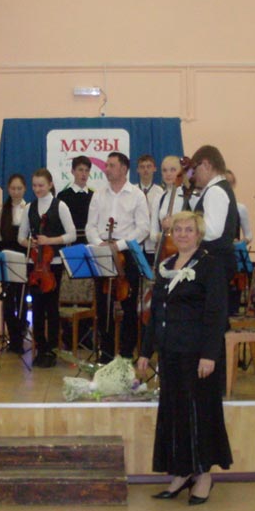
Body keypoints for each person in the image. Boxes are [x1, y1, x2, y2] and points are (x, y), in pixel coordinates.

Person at [137, 211, 232, 505]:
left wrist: (209, 355)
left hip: (197, 353)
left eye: (188, 229)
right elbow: (156, 313)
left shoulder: (210, 266)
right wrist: (145, 351)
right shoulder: (166, 266)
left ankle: (203, 475)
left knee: (199, 413)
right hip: (170, 352)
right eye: (177, 229)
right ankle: (181, 471)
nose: (182, 234)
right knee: (174, 413)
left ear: (199, 234)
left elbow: (216, 313)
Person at [85, 151, 150, 363]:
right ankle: (105, 352)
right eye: (106, 165)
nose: (107, 169)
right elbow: (90, 226)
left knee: (129, 305)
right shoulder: (99, 194)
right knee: (103, 304)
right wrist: (99, 243)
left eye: (111, 165)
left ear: (124, 168)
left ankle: (126, 352)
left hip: (127, 253)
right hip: (103, 251)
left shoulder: (137, 195)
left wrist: (119, 245)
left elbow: (143, 228)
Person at [19, 168, 76, 367]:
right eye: (34, 185)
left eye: (41, 185)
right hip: (35, 265)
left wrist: (49, 240)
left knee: (51, 309)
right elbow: (21, 237)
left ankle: (52, 349)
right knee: (36, 309)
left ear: (50, 184)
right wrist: (30, 243)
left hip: (54, 264)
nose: (37, 189)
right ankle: (40, 348)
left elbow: (71, 235)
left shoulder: (60, 206)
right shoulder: (29, 207)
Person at [189, 146, 240, 315]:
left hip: (215, 263)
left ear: (206, 165)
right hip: (217, 263)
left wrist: (188, 229)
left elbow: (212, 231)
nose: (193, 175)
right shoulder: (216, 189)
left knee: (213, 317)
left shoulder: (215, 191)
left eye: (195, 169)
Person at [0, 173, 29, 354]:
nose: (16, 192)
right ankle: (13, 337)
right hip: (7, 263)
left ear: (24, 189)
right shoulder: (1, 211)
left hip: (24, 262)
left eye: (19, 188)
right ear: (8, 189)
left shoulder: (29, 209)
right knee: (8, 302)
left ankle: (21, 336)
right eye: (13, 188)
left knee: (22, 301)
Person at [57, 155, 93, 245]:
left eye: (87, 170)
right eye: (80, 170)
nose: (84, 174)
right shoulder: (63, 196)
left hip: (90, 241)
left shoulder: (94, 196)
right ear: (73, 171)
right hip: (69, 243)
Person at [136, 154, 164, 265]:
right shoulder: (132, 191)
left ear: (154, 169)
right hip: (136, 242)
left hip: (152, 244)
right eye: (142, 167)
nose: (145, 170)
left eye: (149, 166)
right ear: (137, 170)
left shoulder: (160, 192)